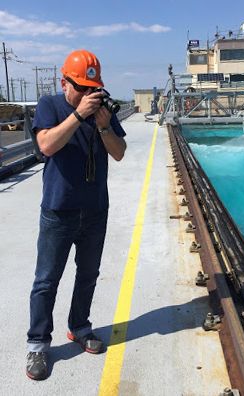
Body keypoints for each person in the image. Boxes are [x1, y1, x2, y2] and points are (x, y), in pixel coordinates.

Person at [26, 49, 127, 381]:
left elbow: (120, 153)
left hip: (96, 210)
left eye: (92, 89)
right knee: (46, 281)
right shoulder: (50, 105)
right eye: (81, 88)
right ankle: (39, 344)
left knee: (88, 275)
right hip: (59, 211)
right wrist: (77, 116)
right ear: (64, 82)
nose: (88, 95)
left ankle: (80, 327)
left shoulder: (101, 112)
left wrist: (102, 127)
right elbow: (46, 145)